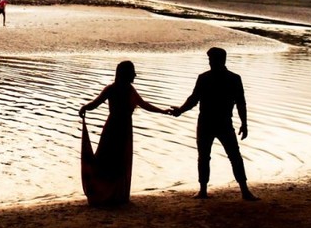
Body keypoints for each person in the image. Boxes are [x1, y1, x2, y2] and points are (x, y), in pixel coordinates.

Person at [78, 60, 171, 206]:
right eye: (132, 72)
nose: (135, 75)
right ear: (126, 74)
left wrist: (84, 108)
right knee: (117, 161)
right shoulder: (127, 89)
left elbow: (94, 104)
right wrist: (162, 111)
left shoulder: (114, 89)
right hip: (121, 129)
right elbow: (144, 104)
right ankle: (115, 195)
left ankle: (109, 194)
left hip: (114, 128)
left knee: (108, 160)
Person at [172, 47, 259, 201]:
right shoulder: (206, 78)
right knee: (206, 157)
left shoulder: (232, 79)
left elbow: (241, 103)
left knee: (233, 156)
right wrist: (180, 110)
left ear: (221, 60)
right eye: (209, 60)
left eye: (212, 59)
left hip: (221, 123)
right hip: (208, 123)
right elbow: (194, 99)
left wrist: (244, 124)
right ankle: (204, 190)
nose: (210, 62)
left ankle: (244, 190)